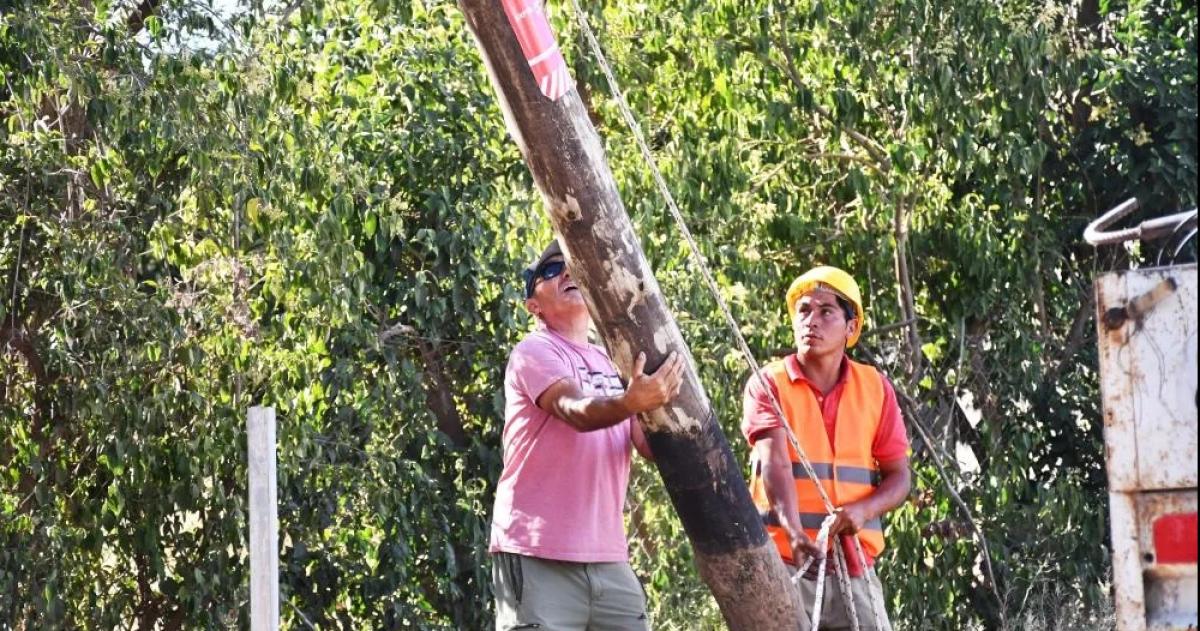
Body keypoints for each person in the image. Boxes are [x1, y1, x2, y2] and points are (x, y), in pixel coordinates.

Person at [490, 239, 685, 631]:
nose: (566, 271)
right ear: (533, 306)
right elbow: (574, 411)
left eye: (570, 264)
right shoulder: (534, 350)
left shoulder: (615, 361)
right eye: (550, 270)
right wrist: (632, 401)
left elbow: (648, 445)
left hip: (608, 559)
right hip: (537, 553)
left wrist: (673, 403)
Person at [742, 266, 911, 630]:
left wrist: (863, 510)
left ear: (851, 328)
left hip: (855, 566)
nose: (811, 320)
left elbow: (900, 477)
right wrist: (795, 534)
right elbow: (775, 465)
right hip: (786, 563)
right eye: (803, 310)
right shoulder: (768, 384)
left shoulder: (875, 388)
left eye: (826, 311)